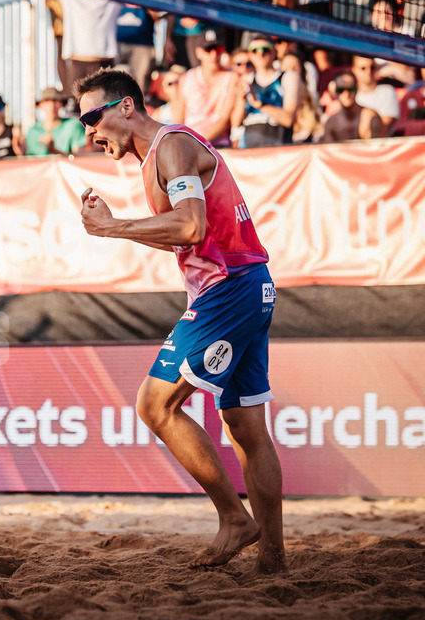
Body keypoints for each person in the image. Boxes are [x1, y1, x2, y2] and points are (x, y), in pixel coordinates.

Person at [74, 69, 284, 576]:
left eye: (92, 116)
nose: (88, 131)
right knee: (246, 429)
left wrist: (113, 227)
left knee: (154, 403)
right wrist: (118, 227)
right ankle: (273, 559)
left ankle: (235, 519)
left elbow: (191, 224)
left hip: (229, 289)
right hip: (251, 285)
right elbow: (184, 235)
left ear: (126, 106)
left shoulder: (171, 146)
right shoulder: (158, 158)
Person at [232, 35, 300, 148]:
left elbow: (288, 119)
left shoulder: (287, 77)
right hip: (248, 152)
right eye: (254, 51)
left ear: (274, 52)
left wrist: (259, 104)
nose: (260, 54)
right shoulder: (246, 80)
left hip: (277, 152)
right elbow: (235, 122)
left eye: (265, 49)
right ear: (250, 55)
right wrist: (241, 99)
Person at [175, 32, 239, 147]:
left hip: (218, 145)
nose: (214, 55)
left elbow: (224, 121)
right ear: (198, 53)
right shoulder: (186, 79)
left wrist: (198, 143)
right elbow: (179, 119)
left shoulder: (231, 78)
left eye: (217, 49)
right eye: (208, 50)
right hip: (190, 145)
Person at [321, 71, 386, 142]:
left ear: (357, 89)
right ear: (336, 92)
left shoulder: (371, 116)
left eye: (350, 89)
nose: (346, 94)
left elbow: (377, 149)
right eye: (341, 90)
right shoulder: (331, 123)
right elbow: (329, 151)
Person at [23, 87, 88, 156]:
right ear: (40, 105)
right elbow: (29, 162)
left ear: (62, 104)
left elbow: (80, 159)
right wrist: (20, 153)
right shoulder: (32, 131)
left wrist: (53, 150)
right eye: (47, 101)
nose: (52, 105)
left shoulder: (73, 126)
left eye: (56, 101)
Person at [351, 55, 400, 135]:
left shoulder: (387, 91)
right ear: (354, 70)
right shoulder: (350, 95)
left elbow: (381, 131)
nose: (368, 72)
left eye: (372, 67)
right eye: (363, 68)